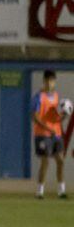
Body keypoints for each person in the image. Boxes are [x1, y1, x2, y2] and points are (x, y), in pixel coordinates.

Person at [32, 69, 66, 199]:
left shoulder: (56, 96)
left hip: (55, 134)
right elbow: (35, 117)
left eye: (52, 81)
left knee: (60, 160)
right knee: (45, 161)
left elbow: (54, 117)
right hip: (42, 134)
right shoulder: (38, 97)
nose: (50, 83)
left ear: (54, 82)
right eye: (47, 81)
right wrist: (48, 128)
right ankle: (40, 191)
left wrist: (63, 118)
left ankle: (61, 191)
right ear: (44, 81)